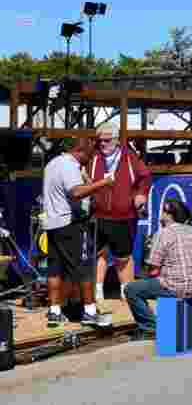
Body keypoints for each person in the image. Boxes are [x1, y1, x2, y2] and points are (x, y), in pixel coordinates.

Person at [42, 139, 115, 328]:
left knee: (55, 268)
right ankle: (90, 312)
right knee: (85, 268)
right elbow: (76, 193)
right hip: (70, 224)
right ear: (80, 151)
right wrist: (104, 182)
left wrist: (88, 179)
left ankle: (55, 311)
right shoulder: (69, 166)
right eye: (89, 156)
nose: (89, 160)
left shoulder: (53, 163)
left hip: (53, 224)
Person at [123, 199, 192, 340]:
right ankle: (176, 324)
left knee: (131, 289)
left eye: (163, 211)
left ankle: (150, 328)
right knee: (161, 281)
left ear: (169, 215)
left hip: (177, 286)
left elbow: (153, 268)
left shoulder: (163, 233)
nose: (160, 214)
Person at [88, 123, 152, 302]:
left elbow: (145, 177)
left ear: (116, 140)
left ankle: (128, 292)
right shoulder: (93, 156)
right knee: (98, 254)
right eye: (99, 140)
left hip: (123, 216)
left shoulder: (129, 156)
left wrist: (141, 194)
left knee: (123, 257)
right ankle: (97, 291)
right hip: (97, 215)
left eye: (106, 140)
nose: (102, 144)